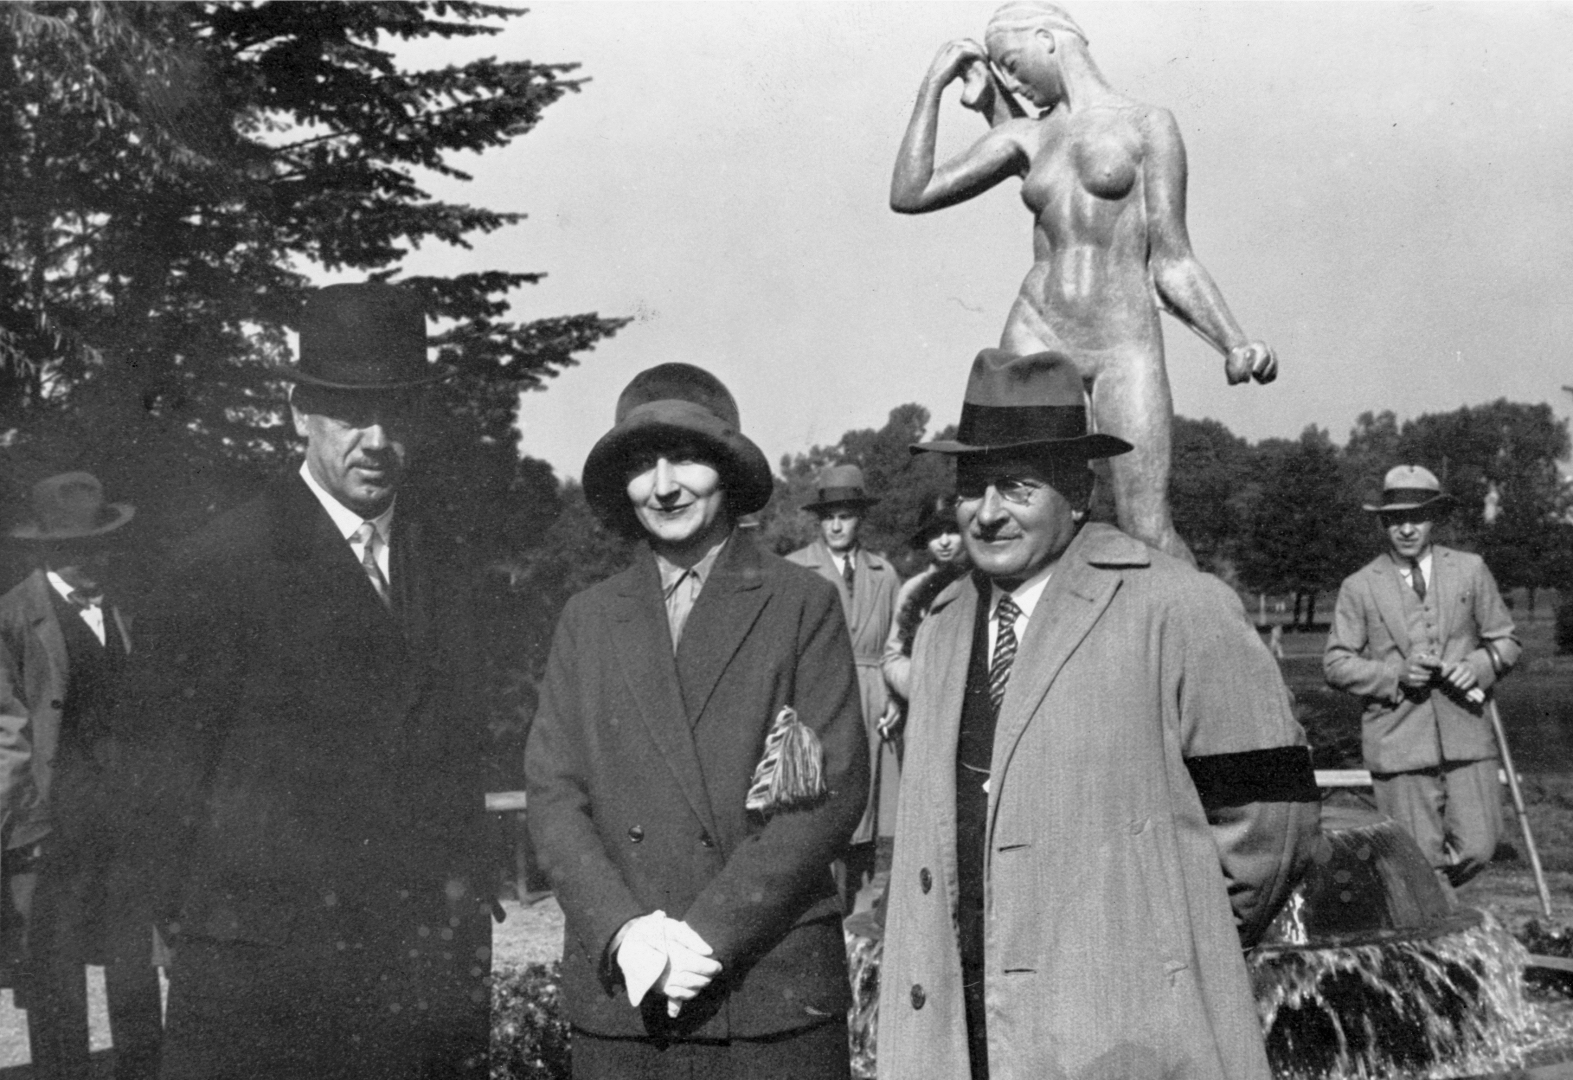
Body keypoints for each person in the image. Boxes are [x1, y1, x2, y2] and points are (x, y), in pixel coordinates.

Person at [878, 349, 1319, 1080]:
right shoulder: (943, 623)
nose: (988, 513)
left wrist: (1165, 942)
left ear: (1079, 493)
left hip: (1124, 1032)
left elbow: (1272, 824)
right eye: (971, 488)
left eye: (1018, 487)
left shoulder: (1179, 607)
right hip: (962, 1029)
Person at [116, 283, 494, 1079]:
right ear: (299, 414)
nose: (377, 441)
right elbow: (162, 783)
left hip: (416, 981)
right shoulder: (217, 566)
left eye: (397, 414)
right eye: (351, 414)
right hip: (265, 987)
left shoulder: (449, 560)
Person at [525, 363, 869, 1079]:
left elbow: (825, 796)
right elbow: (554, 795)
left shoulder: (800, 604)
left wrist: (705, 938)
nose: (663, 486)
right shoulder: (587, 619)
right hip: (627, 994)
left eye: (685, 458)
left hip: (766, 992)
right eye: (641, 467)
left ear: (727, 471)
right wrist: (622, 932)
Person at [890, 1, 1277, 561]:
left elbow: (1172, 259)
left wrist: (1233, 340)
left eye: (1012, 63)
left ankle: (1200, 618)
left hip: (1123, 342)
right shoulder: (1027, 136)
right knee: (1027, 514)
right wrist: (935, 84)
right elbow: (911, 192)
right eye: (1002, 74)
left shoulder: (1148, 124)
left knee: (1147, 527)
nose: (1012, 82)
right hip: (1037, 330)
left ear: (1048, 39)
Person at [0, 472, 163, 1080]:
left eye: (102, 546)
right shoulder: (13, 617)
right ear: (48, 551)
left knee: (132, 959)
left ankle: (142, 1068)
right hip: (51, 823)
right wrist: (19, 826)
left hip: (124, 818)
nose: (96, 560)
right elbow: (6, 732)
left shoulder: (125, 607)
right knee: (54, 966)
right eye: (78, 550)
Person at [1324, 465, 1520, 889]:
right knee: (1417, 862)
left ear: (1435, 519)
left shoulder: (1470, 569)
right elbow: (1336, 663)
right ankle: (1431, 909)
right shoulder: (1359, 586)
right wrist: (1396, 674)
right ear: (1383, 523)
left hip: (1467, 735)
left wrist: (1477, 667)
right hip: (1397, 742)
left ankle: (1425, 899)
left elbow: (1506, 641)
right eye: (1396, 519)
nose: (1407, 529)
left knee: (1479, 847)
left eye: (1417, 517)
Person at [786, 465, 900, 908]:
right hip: (818, 693)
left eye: (846, 516)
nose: (836, 526)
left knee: (868, 809)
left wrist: (895, 697)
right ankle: (824, 913)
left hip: (872, 697)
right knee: (822, 803)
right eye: (828, 517)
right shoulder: (797, 568)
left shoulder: (884, 573)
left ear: (860, 519)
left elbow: (896, 645)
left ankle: (862, 916)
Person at [880, 494, 970, 749]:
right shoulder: (913, 590)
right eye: (935, 534)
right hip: (925, 714)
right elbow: (893, 656)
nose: (944, 541)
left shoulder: (983, 581)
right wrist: (921, 685)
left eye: (952, 531)